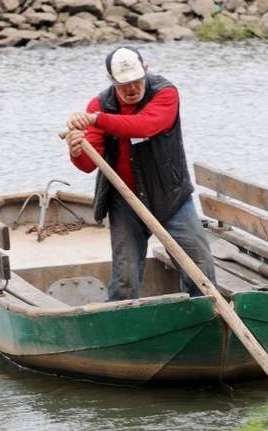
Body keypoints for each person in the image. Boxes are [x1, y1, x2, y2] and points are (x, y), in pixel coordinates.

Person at [64, 46, 216, 301]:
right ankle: (122, 328)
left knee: (200, 273)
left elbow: (146, 125)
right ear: (112, 82)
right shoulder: (100, 105)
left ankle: (207, 320)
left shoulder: (165, 92)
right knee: (125, 281)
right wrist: (77, 150)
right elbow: (90, 165)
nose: (132, 89)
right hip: (125, 202)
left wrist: (96, 119)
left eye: (136, 81)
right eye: (124, 85)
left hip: (171, 198)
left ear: (145, 71)